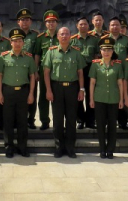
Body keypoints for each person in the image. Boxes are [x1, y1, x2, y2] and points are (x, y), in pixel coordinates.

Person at [43, 27, 86, 158]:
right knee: (57, 119)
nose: (64, 36)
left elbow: (80, 73)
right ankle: (59, 147)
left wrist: (82, 89)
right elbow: (46, 72)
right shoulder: (51, 53)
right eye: (62, 34)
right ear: (58, 37)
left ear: (70, 36)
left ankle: (70, 148)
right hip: (56, 88)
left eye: (67, 34)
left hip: (72, 88)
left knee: (71, 119)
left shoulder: (76, 53)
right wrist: (48, 90)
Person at [0, 28, 36, 157]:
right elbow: (0, 76)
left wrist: (31, 93)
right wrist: (0, 93)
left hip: (23, 92)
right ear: (11, 43)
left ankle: (22, 146)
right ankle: (9, 146)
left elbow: (32, 77)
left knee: (22, 121)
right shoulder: (3, 57)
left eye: (20, 41)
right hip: (8, 91)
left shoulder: (28, 58)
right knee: (8, 120)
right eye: (15, 41)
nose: (17, 43)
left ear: (23, 43)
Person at [89, 37, 123, 159]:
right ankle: (102, 149)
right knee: (101, 125)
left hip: (113, 98)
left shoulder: (118, 65)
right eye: (104, 49)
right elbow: (92, 83)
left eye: (109, 49)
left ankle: (110, 150)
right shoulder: (95, 64)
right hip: (99, 98)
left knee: (113, 126)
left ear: (113, 51)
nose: (107, 52)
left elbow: (120, 83)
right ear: (100, 51)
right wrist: (91, 99)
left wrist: (121, 99)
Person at [102, 17, 128, 130]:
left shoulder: (127, 40)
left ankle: (123, 121)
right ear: (109, 27)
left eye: (117, 25)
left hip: (123, 73)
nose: (115, 27)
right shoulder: (104, 39)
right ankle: (108, 120)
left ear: (121, 27)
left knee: (122, 97)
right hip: (108, 73)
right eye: (112, 25)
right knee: (108, 96)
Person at [71, 17, 100, 129]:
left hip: (91, 68)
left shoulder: (94, 39)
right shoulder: (73, 40)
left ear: (89, 26)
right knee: (78, 95)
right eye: (81, 24)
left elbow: (98, 54)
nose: (83, 26)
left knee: (91, 95)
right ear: (77, 26)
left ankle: (90, 120)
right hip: (77, 69)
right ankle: (80, 120)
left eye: (85, 24)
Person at [33, 10, 59, 130]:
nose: (51, 24)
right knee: (43, 96)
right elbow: (37, 55)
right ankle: (44, 121)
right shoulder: (40, 38)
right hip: (44, 70)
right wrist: (36, 71)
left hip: (59, 70)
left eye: (53, 21)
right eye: (49, 22)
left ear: (57, 23)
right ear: (45, 24)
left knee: (58, 96)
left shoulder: (62, 36)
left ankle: (58, 121)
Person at [16, 8, 40, 129]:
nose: (24, 22)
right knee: (19, 95)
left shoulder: (35, 35)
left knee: (32, 95)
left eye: (27, 20)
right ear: (18, 22)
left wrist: (35, 71)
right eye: (22, 20)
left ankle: (31, 119)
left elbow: (36, 54)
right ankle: (19, 119)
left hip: (30, 70)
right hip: (18, 70)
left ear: (30, 21)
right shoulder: (14, 35)